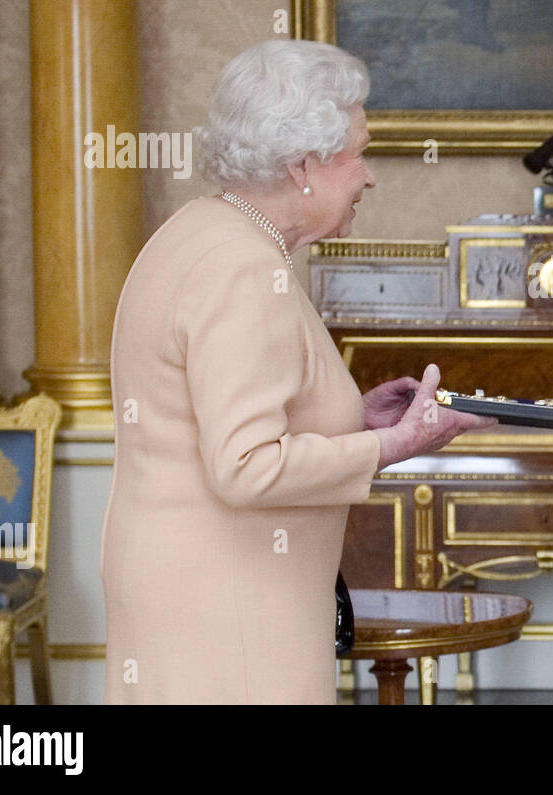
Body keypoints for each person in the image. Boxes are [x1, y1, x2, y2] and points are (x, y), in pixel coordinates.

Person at [100, 39, 494, 704]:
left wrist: (354, 417)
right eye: (359, 152)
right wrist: (392, 444)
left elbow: (229, 414)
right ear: (304, 163)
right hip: (232, 605)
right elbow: (247, 463)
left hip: (190, 588)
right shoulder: (245, 267)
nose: (369, 176)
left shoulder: (200, 232)